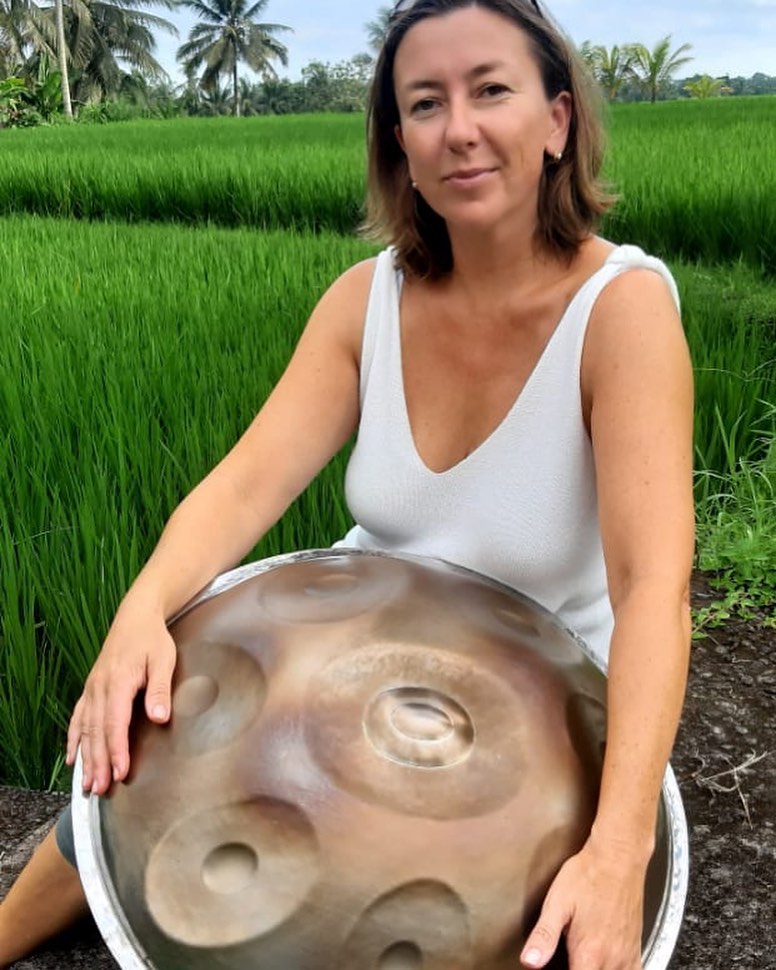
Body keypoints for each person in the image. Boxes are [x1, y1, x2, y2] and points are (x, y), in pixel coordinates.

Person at [0, 1, 694, 968]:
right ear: (399, 144)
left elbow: (652, 588)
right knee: (134, 766)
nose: (460, 128)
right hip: (353, 667)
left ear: (557, 122)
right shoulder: (367, 300)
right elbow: (245, 485)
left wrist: (622, 847)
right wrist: (139, 613)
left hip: (537, 719)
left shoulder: (621, 311)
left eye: (491, 89)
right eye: (424, 103)